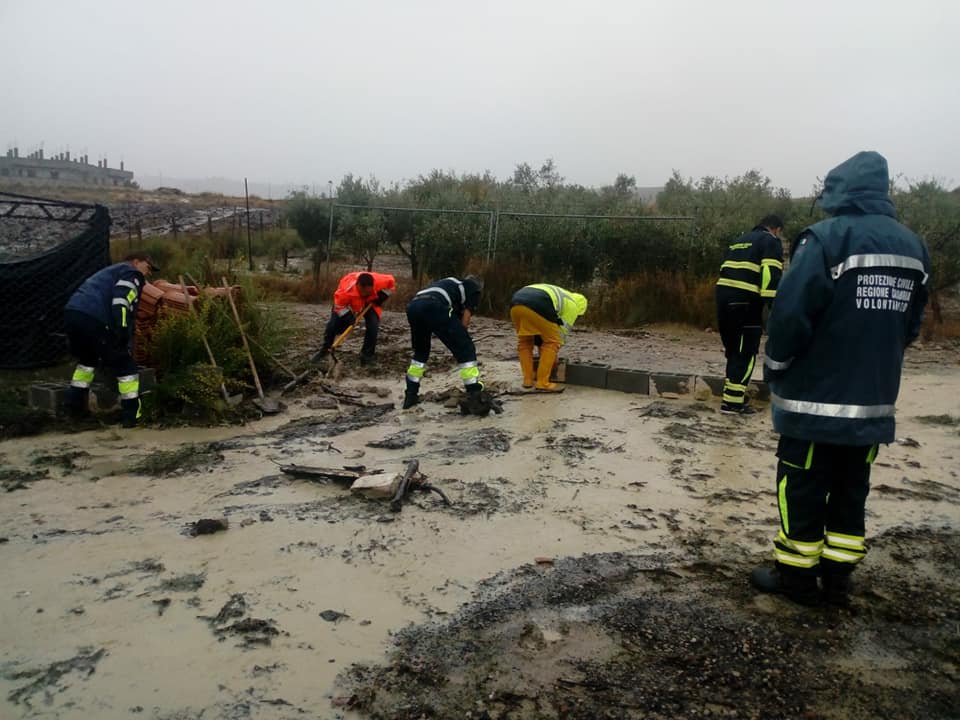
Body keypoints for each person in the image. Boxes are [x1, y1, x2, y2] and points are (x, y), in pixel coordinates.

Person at [751, 151, 930, 606]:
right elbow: (912, 322)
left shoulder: (826, 239)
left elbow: (791, 313)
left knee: (802, 481)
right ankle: (838, 579)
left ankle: (795, 575)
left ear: (837, 190)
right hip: (873, 398)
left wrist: (776, 364)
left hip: (815, 399)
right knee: (853, 485)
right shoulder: (912, 245)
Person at [63, 251, 159, 428]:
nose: (148, 273)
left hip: (73, 314)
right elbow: (122, 301)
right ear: (137, 262)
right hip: (96, 318)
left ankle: (74, 410)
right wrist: (122, 331)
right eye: (148, 267)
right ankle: (132, 417)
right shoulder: (131, 273)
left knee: (87, 362)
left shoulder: (109, 272)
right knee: (126, 366)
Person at [715, 214, 785, 414]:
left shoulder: (740, 240)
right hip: (746, 304)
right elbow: (770, 275)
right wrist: (775, 307)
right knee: (745, 352)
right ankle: (733, 403)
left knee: (733, 350)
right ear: (776, 229)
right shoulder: (770, 241)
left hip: (723, 301)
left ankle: (732, 396)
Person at [403, 275, 487, 413]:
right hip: (434, 305)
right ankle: (474, 393)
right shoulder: (473, 288)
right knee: (466, 348)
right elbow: (466, 317)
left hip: (413, 306)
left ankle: (410, 396)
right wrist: (460, 337)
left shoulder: (451, 283)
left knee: (421, 352)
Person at [509, 283, 588, 391]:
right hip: (540, 302)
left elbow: (543, 330)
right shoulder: (573, 306)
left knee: (525, 342)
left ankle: (528, 380)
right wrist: (552, 357)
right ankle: (542, 382)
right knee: (552, 343)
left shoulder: (561, 294)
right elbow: (558, 336)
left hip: (516, 302)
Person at [313, 271, 396, 366]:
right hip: (349, 301)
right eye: (363, 292)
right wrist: (349, 318)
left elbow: (391, 285)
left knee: (373, 326)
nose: (365, 294)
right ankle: (325, 350)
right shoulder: (345, 291)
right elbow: (339, 306)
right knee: (333, 325)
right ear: (358, 285)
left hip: (370, 302)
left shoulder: (380, 282)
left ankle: (367, 355)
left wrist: (382, 296)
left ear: (373, 286)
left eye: (368, 292)